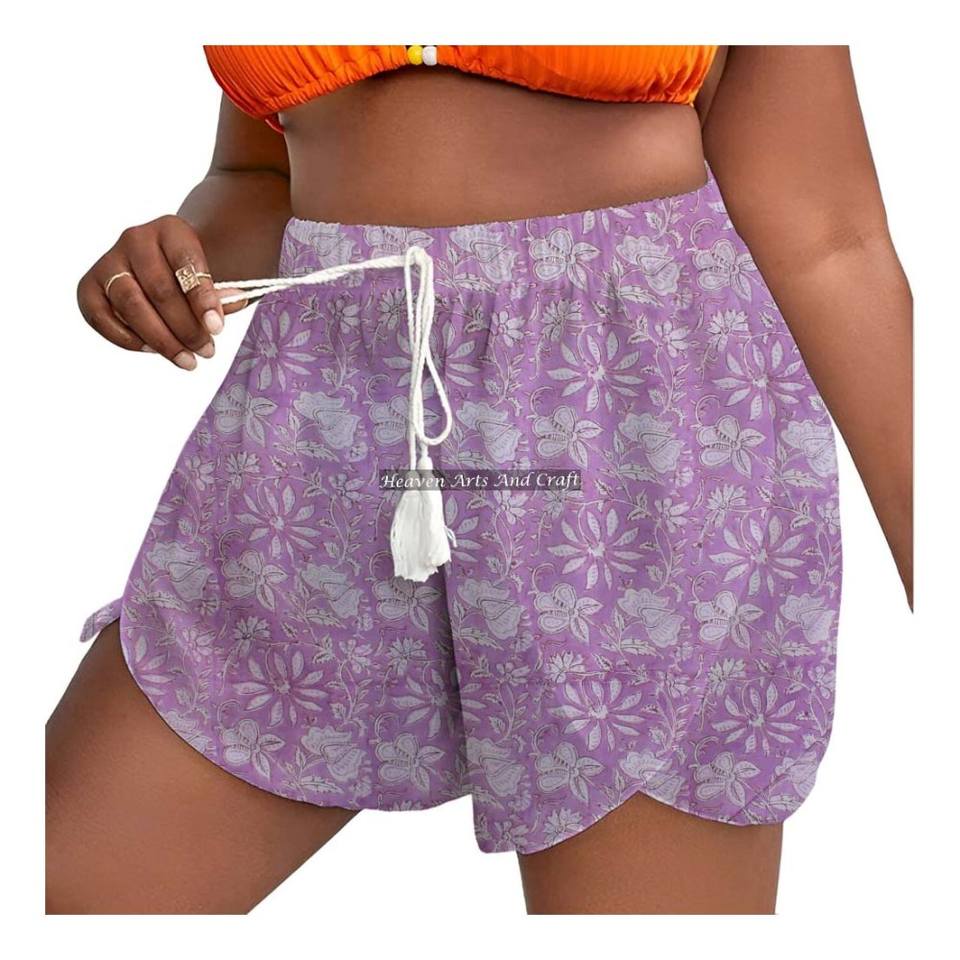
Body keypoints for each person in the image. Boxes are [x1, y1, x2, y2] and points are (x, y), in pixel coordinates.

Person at [45, 45, 912, 915]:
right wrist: (177, 269)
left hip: (629, 428)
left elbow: (829, 235)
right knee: (61, 891)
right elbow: (257, 175)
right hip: (316, 427)